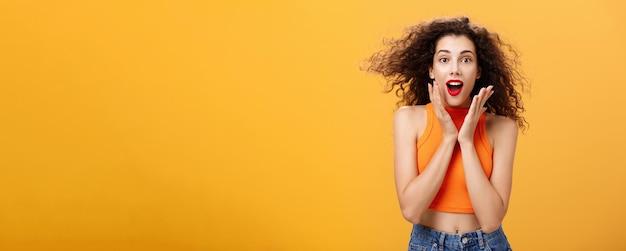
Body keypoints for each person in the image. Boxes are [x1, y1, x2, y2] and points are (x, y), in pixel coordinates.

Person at [365, 16, 527, 251]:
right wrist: (449, 139)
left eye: (466, 59)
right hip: (427, 245)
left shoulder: (502, 128)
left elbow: (491, 220)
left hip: (487, 245)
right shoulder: (408, 119)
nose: (455, 69)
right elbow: (410, 210)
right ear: (431, 70)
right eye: (444, 59)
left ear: (479, 70)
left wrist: (467, 142)